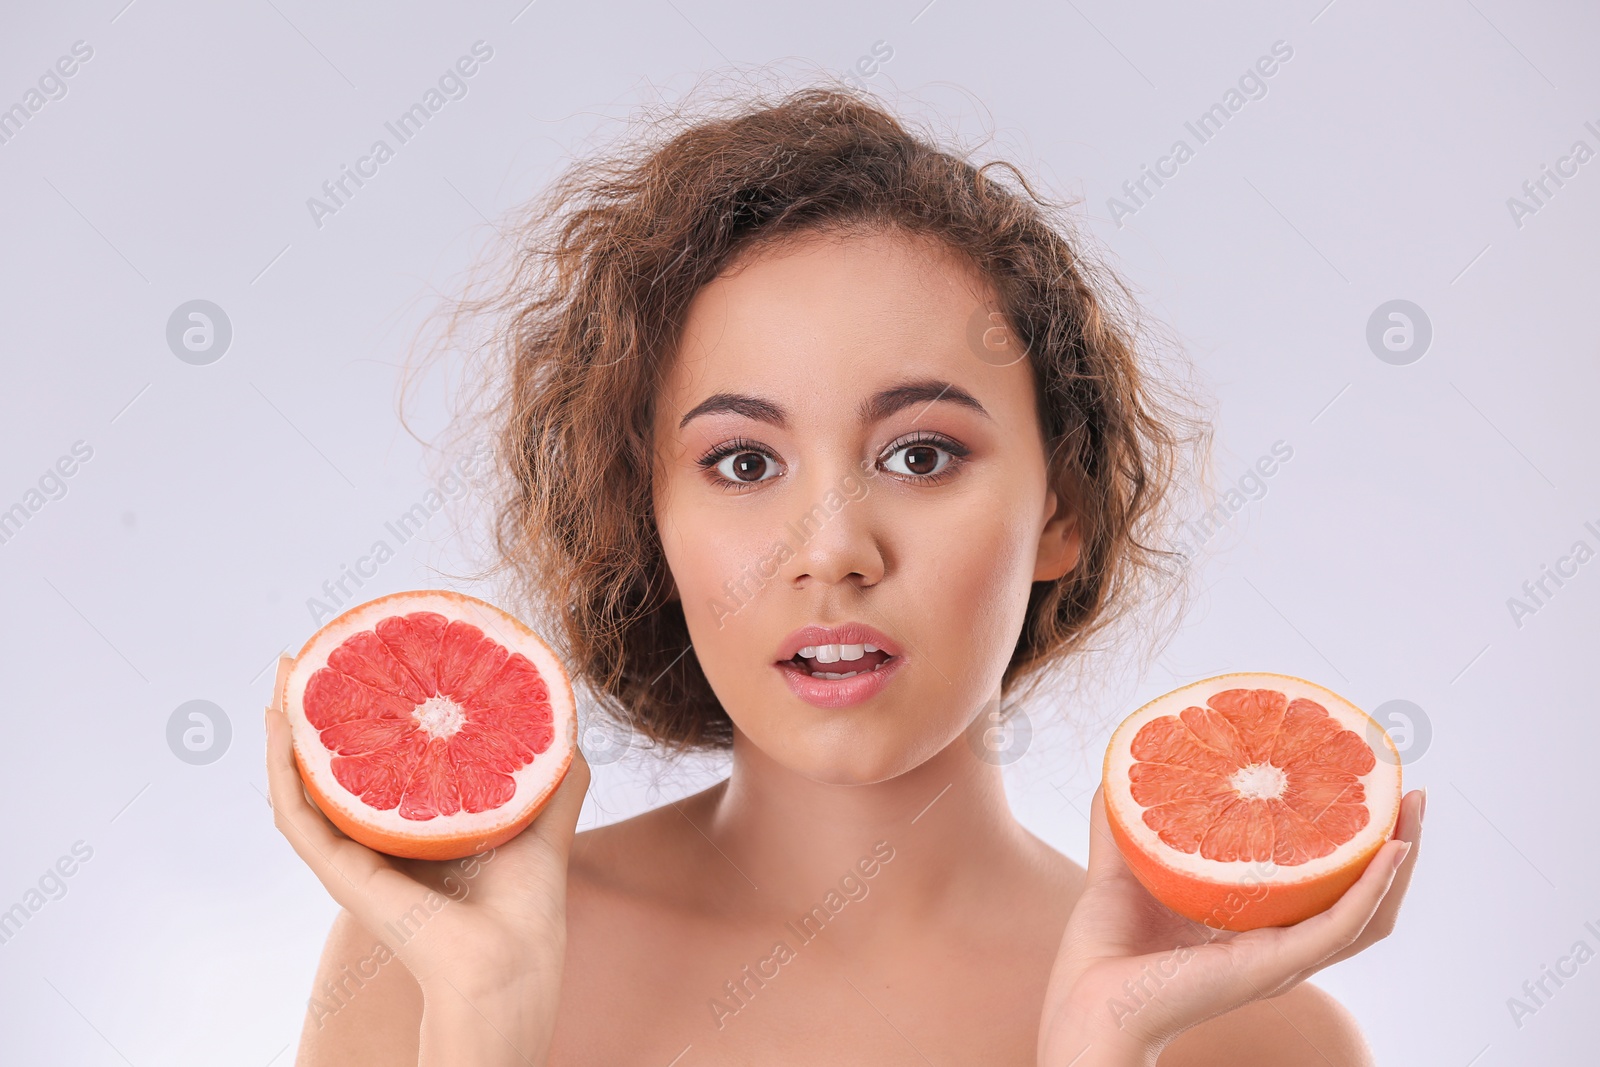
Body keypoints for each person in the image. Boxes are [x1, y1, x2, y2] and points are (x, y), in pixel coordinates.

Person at [265, 84, 1424, 1066]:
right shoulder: (425, 961)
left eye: (920, 454)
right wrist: (487, 1022)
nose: (830, 548)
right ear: (649, 517)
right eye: (742, 460)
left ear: (1060, 507)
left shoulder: (1254, 1037)